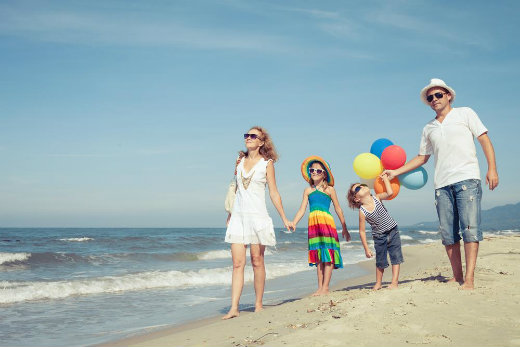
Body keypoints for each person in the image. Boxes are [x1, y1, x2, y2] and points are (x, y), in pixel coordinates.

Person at [384, 78, 499, 290]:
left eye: (438, 95)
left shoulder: (465, 113)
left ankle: (470, 279)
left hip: (467, 179)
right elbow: (422, 158)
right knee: (448, 234)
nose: (434, 99)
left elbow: (484, 139)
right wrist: (395, 172)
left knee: (470, 230)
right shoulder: (429, 127)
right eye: (430, 98)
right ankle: (457, 276)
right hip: (441, 185)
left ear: (448, 95)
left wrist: (492, 168)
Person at [223, 126, 293, 319]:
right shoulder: (239, 161)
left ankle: (258, 304)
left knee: (257, 261)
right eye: (246, 135)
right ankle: (234, 308)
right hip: (239, 217)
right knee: (237, 263)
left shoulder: (267, 163)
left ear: (262, 142)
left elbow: (273, 192)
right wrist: (230, 214)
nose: (248, 138)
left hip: (258, 216)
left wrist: (284, 217)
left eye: (253, 136)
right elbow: (235, 189)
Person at [291, 156, 351, 296]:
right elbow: (302, 209)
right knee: (318, 256)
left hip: (326, 223)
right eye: (312, 170)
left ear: (324, 174)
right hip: (313, 224)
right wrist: (294, 222)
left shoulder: (330, 190)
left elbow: (338, 209)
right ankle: (319, 288)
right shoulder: (308, 190)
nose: (314, 172)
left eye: (318, 170)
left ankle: (326, 288)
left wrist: (344, 227)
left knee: (328, 254)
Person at [347, 174, 404, 290]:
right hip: (379, 237)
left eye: (362, 185)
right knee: (380, 261)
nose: (362, 186)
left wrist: (386, 180)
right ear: (356, 198)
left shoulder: (377, 198)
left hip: (393, 231)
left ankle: (394, 282)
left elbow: (390, 193)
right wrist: (366, 249)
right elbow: (362, 231)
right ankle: (378, 283)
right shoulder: (362, 211)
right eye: (358, 188)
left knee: (396, 257)